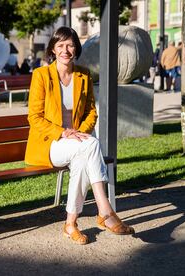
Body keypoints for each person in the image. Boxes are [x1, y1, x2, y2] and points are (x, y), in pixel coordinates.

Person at [25, 26, 134, 245]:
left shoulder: (83, 75)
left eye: (70, 45)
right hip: (50, 144)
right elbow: (34, 118)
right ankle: (105, 210)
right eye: (60, 45)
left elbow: (91, 111)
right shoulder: (41, 75)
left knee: (83, 156)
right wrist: (64, 132)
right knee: (91, 145)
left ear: (76, 48)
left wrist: (80, 133)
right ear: (53, 50)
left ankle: (70, 224)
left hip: (77, 144)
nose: (66, 50)